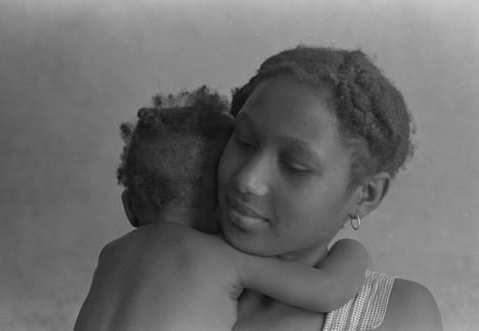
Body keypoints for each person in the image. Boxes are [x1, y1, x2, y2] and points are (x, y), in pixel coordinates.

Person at [74, 94, 370, 331]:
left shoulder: (110, 254)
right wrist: (352, 249)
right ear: (223, 207)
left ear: (129, 207)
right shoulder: (224, 258)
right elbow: (330, 290)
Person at [217, 45, 443, 330]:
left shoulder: (392, 314)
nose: (247, 180)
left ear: (366, 195)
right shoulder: (165, 262)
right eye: (244, 141)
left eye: (295, 167)